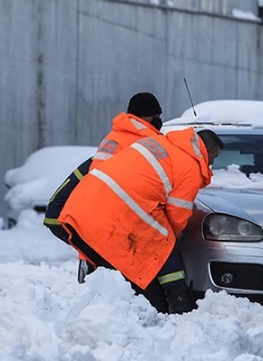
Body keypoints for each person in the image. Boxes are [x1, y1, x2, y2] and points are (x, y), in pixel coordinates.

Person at [59, 128, 224, 313]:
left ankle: (119, 301)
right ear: (206, 150)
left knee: (122, 258)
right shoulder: (190, 167)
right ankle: (179, 302)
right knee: (166, 241)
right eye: (214, 158)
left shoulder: (161, 143)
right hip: (120, 206)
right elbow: (178, 213)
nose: (211, 164)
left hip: (87, 201)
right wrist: (177, 234)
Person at [43, 92, 165, 280]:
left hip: (92, 205)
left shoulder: (116, 134)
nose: (159, 120)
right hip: (116, 212)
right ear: (147, 117)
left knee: (96, 261)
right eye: (156, 117)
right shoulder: (146, 141)